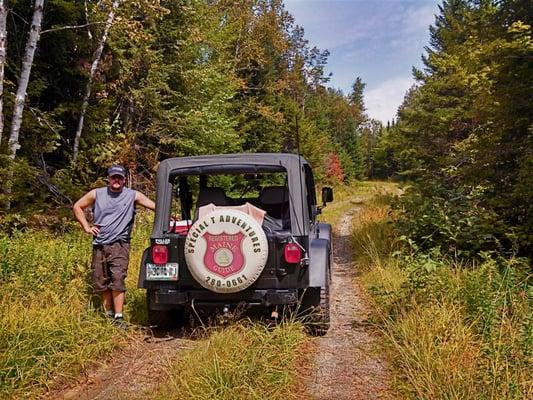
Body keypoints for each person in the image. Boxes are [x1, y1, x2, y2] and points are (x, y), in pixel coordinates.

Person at [73, 165, 155, 329]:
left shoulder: (133, 195)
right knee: (102, 280)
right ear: (108, 179)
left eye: (119, 177)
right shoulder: (97, 193)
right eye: (113, 177)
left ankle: (119, 317)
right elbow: (77, 206)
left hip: (120, 244)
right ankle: (108, 315)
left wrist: (172, 216)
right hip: (100, 243)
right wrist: (86, 227)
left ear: (124, 179)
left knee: (117, 279)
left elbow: (155, 206)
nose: (116, 180)